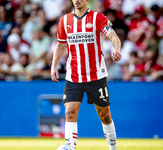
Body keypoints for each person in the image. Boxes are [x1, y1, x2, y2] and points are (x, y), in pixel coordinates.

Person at [51, 0, 121, 150]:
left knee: (105, 116)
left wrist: (117, 48)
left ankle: (113, 148)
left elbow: (114, 36)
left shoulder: (98, 18)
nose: (76, 0)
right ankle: (70, 147)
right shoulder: (64, 20)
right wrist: (53, 66)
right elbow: (60, 45)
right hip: (73, 76)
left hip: (96, 76)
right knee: (69, 112)